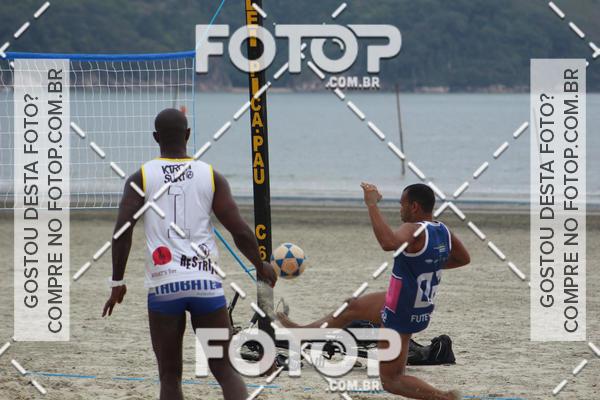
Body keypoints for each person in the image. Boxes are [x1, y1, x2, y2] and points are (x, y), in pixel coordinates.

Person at [102, 108, 277, 400]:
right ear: (188, 135)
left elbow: (122, 232)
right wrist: (261, 266)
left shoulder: (140, 177)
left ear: (156, 137)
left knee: (170, 377)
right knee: (226, 371)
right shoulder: (211, 176)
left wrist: (117, 281)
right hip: (205, 284)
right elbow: (240, 231)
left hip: (164, 285)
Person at [278, 182, 469, 400]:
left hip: (401, 309)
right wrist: (426, 265)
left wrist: (372, 205)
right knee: (351, 307)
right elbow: (463, 258)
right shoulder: (442, 230)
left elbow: (388, 242)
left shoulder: (413, 229)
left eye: (402, 205)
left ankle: (444, 397)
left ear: (415, 206)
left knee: (392, 380)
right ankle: (305, 335)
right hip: (413, 301)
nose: (400, 210)